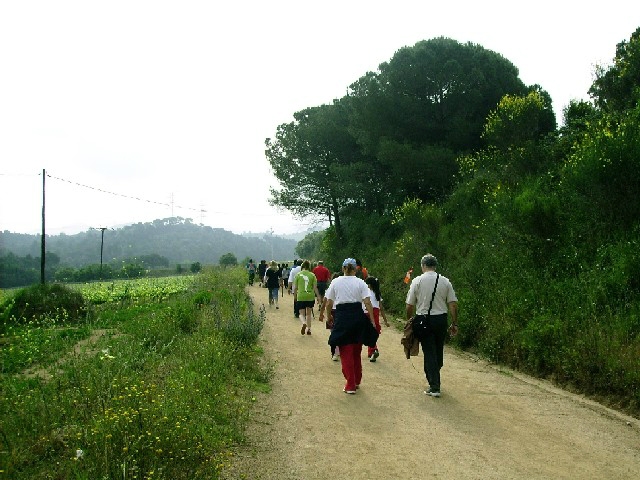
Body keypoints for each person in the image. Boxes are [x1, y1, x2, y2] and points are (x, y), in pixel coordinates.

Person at [405, 254, 458, 398]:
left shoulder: (417, 281)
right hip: (441, 319)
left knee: (429, 351)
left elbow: (409, 305)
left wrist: (409, 320)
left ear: (423, 266)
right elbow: (452, 304)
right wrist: (454, 323)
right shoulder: (445, 281)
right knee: (438, 348)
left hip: (423, 320)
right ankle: (434, 375)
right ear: (435, 266)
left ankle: (434, 386)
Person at [322, 258, 377, 394]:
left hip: (342, 317)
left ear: (343, 268)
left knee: (345, 351)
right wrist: (372, 320)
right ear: (356, 269)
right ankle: (357, 380)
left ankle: (350, 384)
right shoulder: (361, 282)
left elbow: (329, 303)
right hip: (358, 316)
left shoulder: (336, 282)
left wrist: (329, 316)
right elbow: (368, 303)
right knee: (356, 351)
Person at [363, 276, 390, 362]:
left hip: (367, 312)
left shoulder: (366, 292)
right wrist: (385, 321)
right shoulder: (377, 293)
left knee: (367, 333)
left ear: (369, 285)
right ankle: (371, 352)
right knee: (373, 332)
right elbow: (381, 308)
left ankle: (373, 349)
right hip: (376, 313)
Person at [293, 260, 321, 335]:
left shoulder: (298, 275)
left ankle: (303, 323)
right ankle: (309, 329)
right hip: (310, 296)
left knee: (301, 314)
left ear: (302, 267)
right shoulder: (312, 275)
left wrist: (295, 296)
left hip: (301, 296)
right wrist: (318, 297)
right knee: (309, 314)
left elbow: (295, 288)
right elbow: (315, 288)